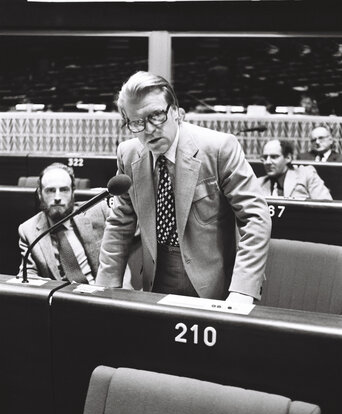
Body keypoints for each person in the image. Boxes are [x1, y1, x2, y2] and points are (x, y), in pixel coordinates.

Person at [95, 71, 271, 305]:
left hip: (216, 284)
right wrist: (106, 287)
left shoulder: (219, 148)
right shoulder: (128, 155)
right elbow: (120, 222)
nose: (149, 129)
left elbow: (256, 217)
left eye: (156, 115)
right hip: (156, 280)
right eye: (137, 122)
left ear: (176, 112)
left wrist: (242, 291)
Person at [18, 162, 110, 283]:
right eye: (50, 190)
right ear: (40, 194)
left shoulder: (99, 211)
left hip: (101, 294)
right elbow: (28, 276)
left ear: (73, 192)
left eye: (64, 190)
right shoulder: (28, 230)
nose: (57, 197)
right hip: (60, 298)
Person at [258, 139, 332, 200]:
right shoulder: (258, 183)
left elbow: (326, 206)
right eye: (265, 158)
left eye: (274, 157)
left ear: (288, 158)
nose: (267, 162)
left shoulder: (306, 175)